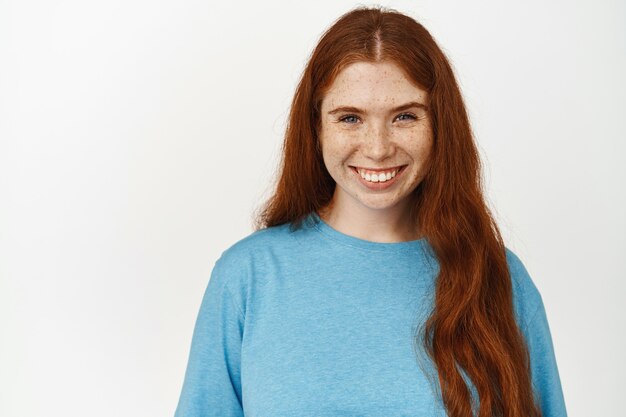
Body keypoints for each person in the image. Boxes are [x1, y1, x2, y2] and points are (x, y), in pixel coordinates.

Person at [174, 6, 567, 417]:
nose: (377, 148)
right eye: (349, 118)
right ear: (316, 127)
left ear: (440, 126)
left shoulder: (499, 279)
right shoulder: (248, 277)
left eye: (405, 116)